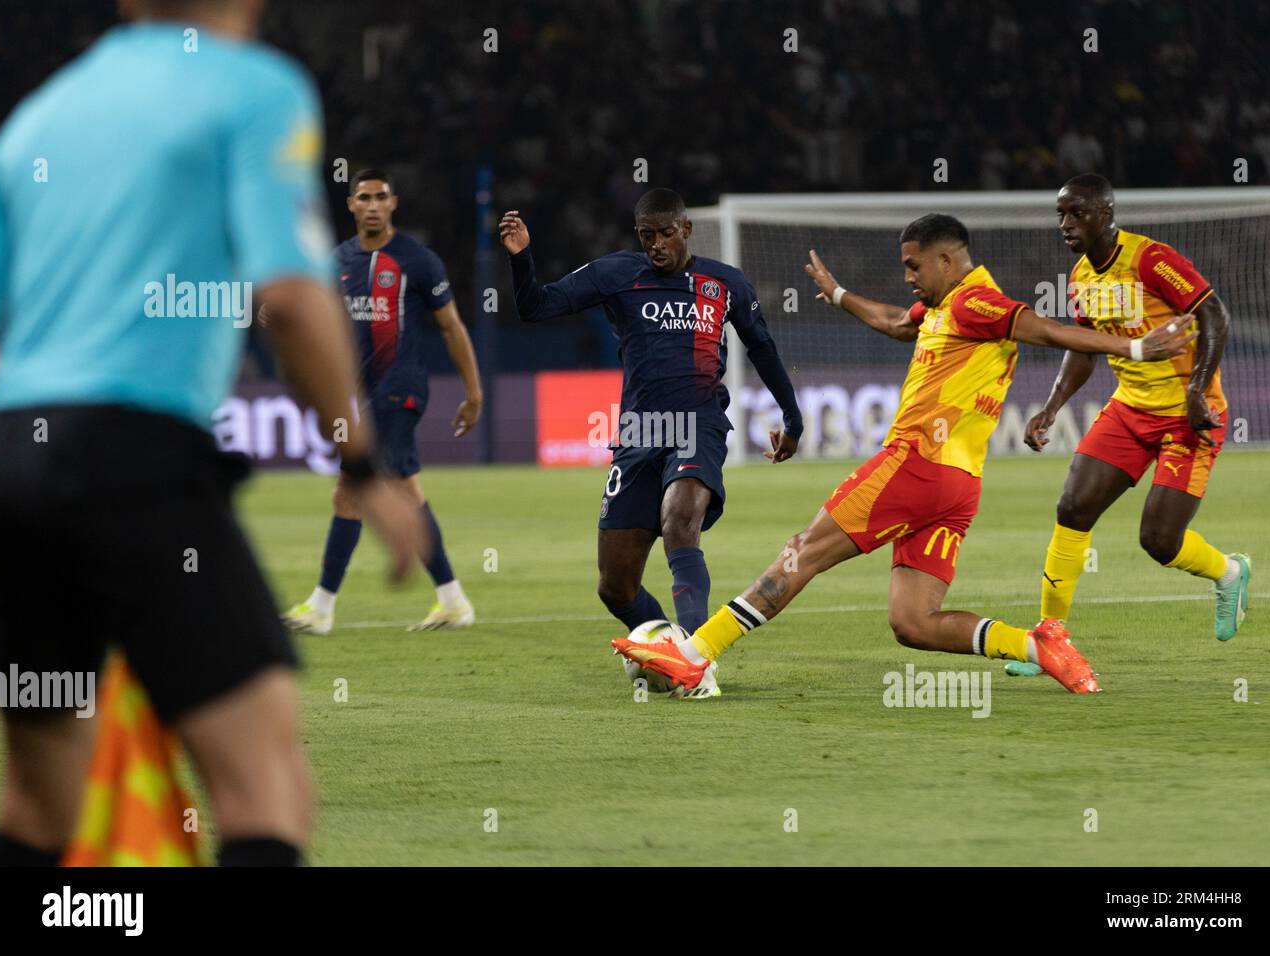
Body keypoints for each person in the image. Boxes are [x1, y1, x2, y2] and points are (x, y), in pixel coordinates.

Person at [0, 0, 422, 866]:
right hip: (133, 453)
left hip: (10, 460)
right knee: (263, 787)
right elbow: (293, 297)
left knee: (43, 801)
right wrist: (364, 463)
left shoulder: (39, 116)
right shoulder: (253, 88)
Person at [614, 214, 1192, 696]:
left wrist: (1135, 346)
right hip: (958, 487)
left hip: (914, 463)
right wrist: (838, 294)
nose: (909, 277)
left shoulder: (976, 303)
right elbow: (895, 321)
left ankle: (694, 654)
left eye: (914, 266)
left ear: (947, 260)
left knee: (802, 552)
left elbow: (1043, 328)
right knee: (913, 622)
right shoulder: (944, 308)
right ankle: (1036, 644)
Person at [500, 188, 803, 698]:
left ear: (686, 229)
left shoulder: (724, 283)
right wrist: (522, 258)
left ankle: (695, 663)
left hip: (698, 422)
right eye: (647, 236)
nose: (657, 244)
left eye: (666, 233)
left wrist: (791, 419)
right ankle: (671, 644)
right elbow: (535, 307)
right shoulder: (617, 273)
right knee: (614, 585)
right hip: (639, 432)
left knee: (680, 521)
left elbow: (764, 349)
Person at [1026, 174, 1249, 641]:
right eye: (1060, 215)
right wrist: (1051, 406)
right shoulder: (1082, 276)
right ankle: (1049, 635)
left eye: (1077, 213)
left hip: (1191, 415)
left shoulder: (1149, 259)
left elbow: (1214, 314)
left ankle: (1228, 572)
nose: (1066, 223)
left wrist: (1196, 391)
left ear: (1106, 214)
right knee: (1072, 507)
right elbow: (1084, 347)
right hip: (1129, 410)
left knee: (1159, 541)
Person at [283, 168, 482, 634]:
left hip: (401, 388)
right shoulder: (335, 262)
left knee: (350, 487)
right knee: (408, 491)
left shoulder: (418, 260)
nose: (372, 205)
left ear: (393, 204)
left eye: (381, 197)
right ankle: (453, 599)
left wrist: (473, 391)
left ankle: (322, 606)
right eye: (363, 197)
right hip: (364, 396)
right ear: (351, 205)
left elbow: (452, 327)